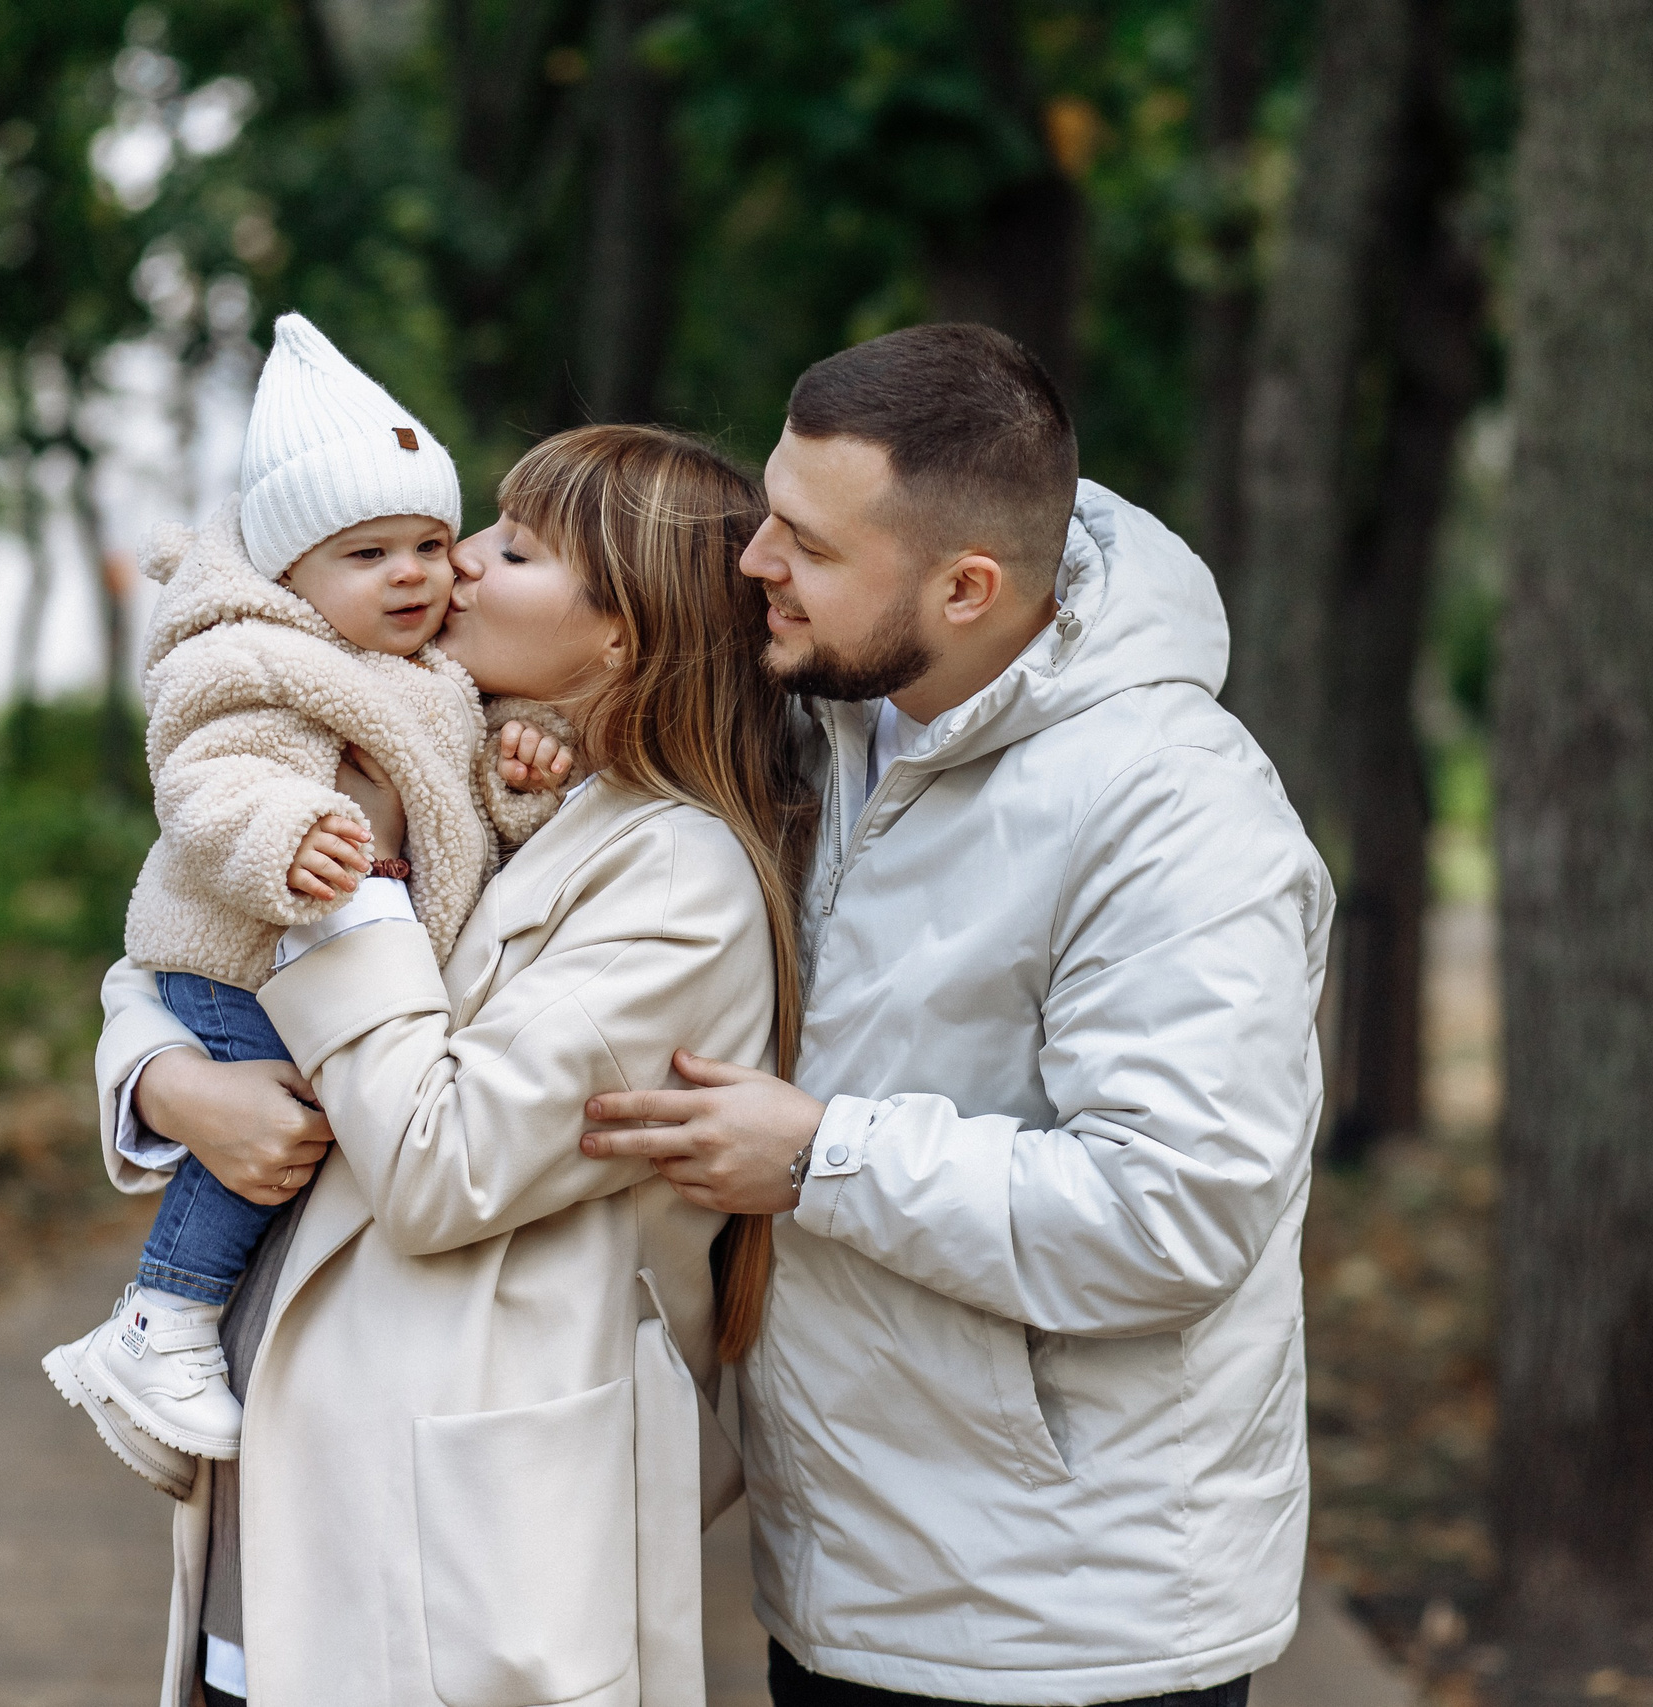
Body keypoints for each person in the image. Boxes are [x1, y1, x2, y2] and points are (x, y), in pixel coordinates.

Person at [579, 324, 1333, 1706]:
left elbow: (1178, 1205)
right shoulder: (832, 708)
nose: (755, 566)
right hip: (849, 1578)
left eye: (804, 544)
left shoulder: (1173, 810)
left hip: (1072, 1628)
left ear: (969, 586)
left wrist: (819, 1158)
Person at [91, 423, 811, 1707]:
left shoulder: (677, 878)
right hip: (309, 1476)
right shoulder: (475, 770)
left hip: (454, 1539)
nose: (459, 563)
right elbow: (186, 940)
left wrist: (350, 892)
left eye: (517, 548)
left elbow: (441, 1162)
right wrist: (166, 1084)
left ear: (620, 638)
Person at [43, 313, 569, 1474]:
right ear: (292, 572)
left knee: (297, 1122)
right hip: (233, 950)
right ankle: (159, 1314)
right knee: (279, 1120)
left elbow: (460, 813)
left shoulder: (431, 674)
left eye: (431, 545)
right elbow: (207, 777)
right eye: (369, 554)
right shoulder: (251, 657)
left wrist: (520, 778)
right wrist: (286, 834)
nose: (414, 576)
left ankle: (188, 1326)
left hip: (320, 959)